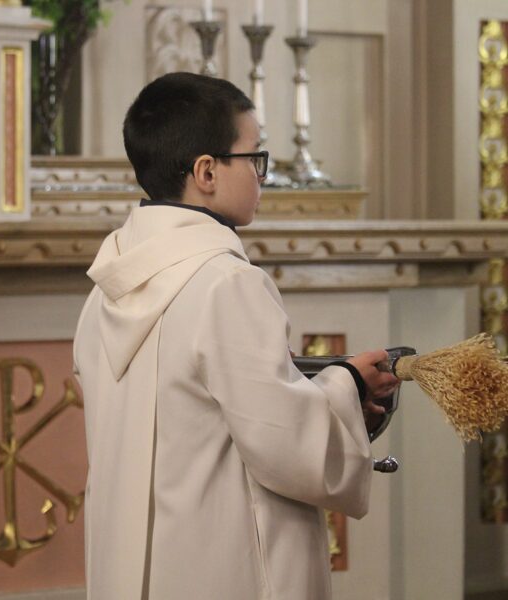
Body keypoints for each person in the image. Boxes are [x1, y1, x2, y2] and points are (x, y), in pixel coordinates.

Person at [73, 72, 398, 600]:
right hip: (228, 570)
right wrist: (347, 385)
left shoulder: (108, 286)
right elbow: (287, 449)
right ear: (206, 171)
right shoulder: (227, 284)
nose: (262, 175)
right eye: (255, 158)